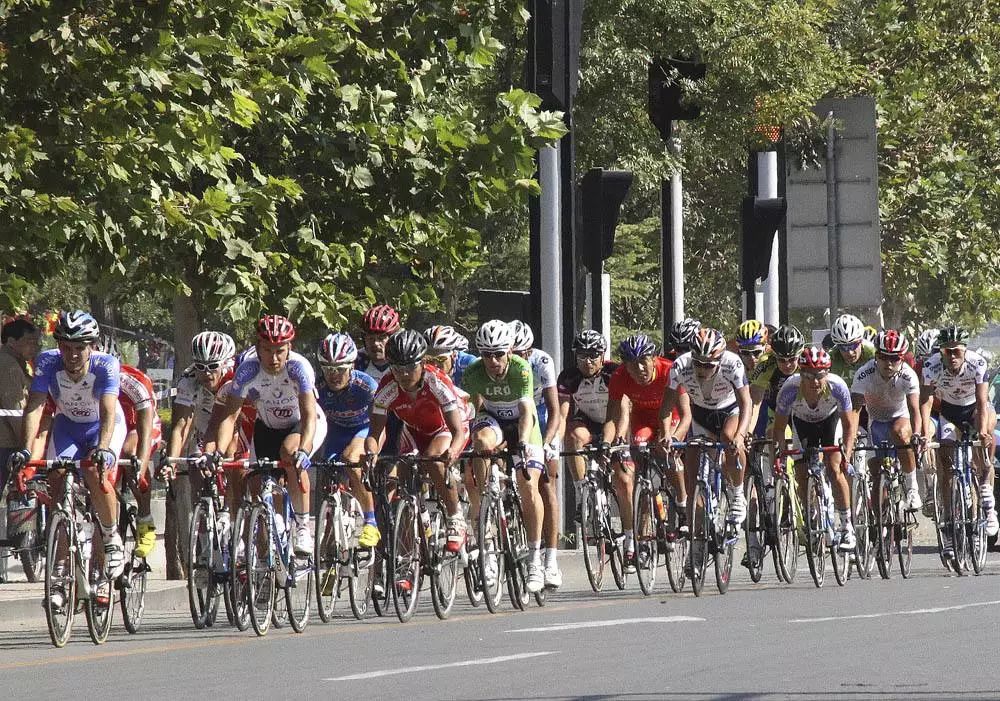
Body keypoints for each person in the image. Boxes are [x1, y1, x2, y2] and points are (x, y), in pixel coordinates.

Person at [7, 311, 128, 582]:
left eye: (79, 348)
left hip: (103, 426)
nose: (71, 354)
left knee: (97, 475)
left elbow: (108, 410)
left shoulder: (105, 364)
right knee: (56, 478)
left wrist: (104, 448)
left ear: (92, 347)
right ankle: (62, 560)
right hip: (69, 426)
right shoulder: (47, 362)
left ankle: (110, 536)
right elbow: (36, 405)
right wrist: (26, 450)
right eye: (65, 347)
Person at [204, 315, 327, 556]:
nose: (274, 358)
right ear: (258, 348)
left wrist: (304, 449)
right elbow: (229, 417)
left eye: (280, 350)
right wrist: (218, 452)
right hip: (267, 426)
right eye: (267, 350)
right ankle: (274, 535)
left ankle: (302, 527)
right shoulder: (247, 370)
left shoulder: (299, 368)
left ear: (289, 347)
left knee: (290, 453)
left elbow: (310, 414)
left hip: (301, 424)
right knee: (257, 483)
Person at [365, 330, 471, 562]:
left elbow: (457, 431)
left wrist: (452, 451)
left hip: (444, 427)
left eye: (410, 367)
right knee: (405, 489)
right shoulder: (387, 388)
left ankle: (455, 517)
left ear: (422, 362)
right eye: (396, 368)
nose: (403, 374)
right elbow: (375, 433)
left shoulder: (436, 381)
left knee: (434, 458)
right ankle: (409, 556)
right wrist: (371, 453)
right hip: (413, 431)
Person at [462, 320, 547, 592]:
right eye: (487, 354)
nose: (493, 361)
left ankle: (535, 558)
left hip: (522, 424)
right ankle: (488, 498)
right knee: (480, 441)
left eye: (498, 353)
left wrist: (521, 444)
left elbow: (525, 413)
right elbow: (475, 413)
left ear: (510, 351)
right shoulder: (474, 372)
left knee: (528, 486)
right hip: (494, 419)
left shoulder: (522, 370)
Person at [604, 334, 690, 573]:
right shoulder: (619, 377)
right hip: (642, 419)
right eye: (631, 364)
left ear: (654, 359)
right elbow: (612, 417)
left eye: (643, 361)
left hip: (670, 416)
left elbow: (686, 415)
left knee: (668, 455)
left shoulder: (670, 370)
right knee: (640, 471)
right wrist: (607, 443)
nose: (639, 368)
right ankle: (641, 541)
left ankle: (682, 505)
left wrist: (674, 438)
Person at [662, 328, 751, 527]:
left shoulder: (733, 363)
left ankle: (737, 494)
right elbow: (666, 407)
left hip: (729, 410)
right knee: (692, 474)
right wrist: (667, 434)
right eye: (698, 364)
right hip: (701, 414)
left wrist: (741, 435)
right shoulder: (679, 366)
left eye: (709, 365)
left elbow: (746, 403)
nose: (702, 370)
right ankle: (697, 542)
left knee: (729, 439)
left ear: (719, 360)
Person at [771, 346, 858, 549]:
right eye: (808, 376)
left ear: (827, 373)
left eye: (819, 375)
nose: (814, 381)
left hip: (830, 422)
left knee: (835, 468)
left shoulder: (838, 386)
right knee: (800, 472)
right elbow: (779, 429)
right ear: (800, 374)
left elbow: (848, 425)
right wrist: (780, 457)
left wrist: (847, 453)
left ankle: (846, 526)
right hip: (802, 424)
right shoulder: (789, 390)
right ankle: (811, 510)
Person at [920, 325, 998, 544]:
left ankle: (987, 497)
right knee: (945, 461)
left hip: (973, 408)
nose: (952, 356)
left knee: (987, 435)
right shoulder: (931, 366)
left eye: (957, 351)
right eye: (947, 351)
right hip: (949, 411)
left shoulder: (977, 363)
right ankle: (947, 518)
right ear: (940, 352)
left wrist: (982, 431)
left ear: (965, 351)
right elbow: (925, 403)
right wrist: (925, 435)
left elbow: (983, 402)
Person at [509, 320, 564, 586]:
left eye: (522, 354)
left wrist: (549, 442)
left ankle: (551, 560)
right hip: (514, 416)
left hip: (541, 417)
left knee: (546, 483)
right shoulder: (500, 362)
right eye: (513, 353)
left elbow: (554, 411)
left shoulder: (542, 361)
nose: (518, 359)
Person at [316, 332, 380, 548]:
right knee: (327, 472)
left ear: (352, 366)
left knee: (351, 460)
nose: (334, 375)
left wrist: (374, 449)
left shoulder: (366, 385)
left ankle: (371, 522)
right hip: (336, 432)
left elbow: (381, 422)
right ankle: (331, 536)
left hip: (363, 429)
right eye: (328, 369)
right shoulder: (318, 388)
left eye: (340, 369)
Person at [852, 330, 923, 510]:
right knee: (877, 476)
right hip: (875, 421)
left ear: (902, 359)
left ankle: (912, 488)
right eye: (884, 357)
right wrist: (851, 436)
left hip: (900, 417)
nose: (889, 363)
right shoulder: (864, 373)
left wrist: (915, 434)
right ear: (876, 355)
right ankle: (881, 528)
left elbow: (915, 410)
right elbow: (855, 410)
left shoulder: (908, 375)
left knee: (899, 433)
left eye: (895, 358)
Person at [557, 330, 616, 515]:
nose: (587, 361)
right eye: (582, 355)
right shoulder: (569, 377)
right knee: (572, 434)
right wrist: (553, 443)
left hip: (614, 420)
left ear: (602, 355)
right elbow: (562, 415)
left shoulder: (613, 373)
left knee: (624, 477)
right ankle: (581, 491)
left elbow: (624, 410)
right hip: (588, 421)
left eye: (593, 355)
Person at [0, 317, 39, 488]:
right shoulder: (8, 365)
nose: (34, 347)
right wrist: (26, 447)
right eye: (28, 341)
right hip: (6, 444)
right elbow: (14, 409)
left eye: (35, 342)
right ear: (11, 342)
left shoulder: (18, 364)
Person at [355, 304, 401, 382]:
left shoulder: (403, 363)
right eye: (370, 338)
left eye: (381, 338)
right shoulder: (356, 362)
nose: (375, 343)